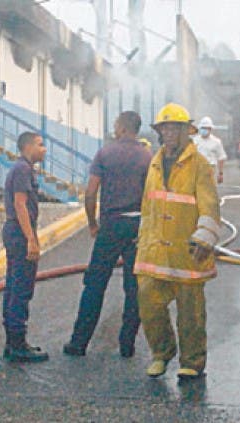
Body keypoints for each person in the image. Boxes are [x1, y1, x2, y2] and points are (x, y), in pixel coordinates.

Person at [134, 103, 221, 380]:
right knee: (148, 303)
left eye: (175, 128)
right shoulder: (155, 161)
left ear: (187, 132)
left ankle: (192, 361)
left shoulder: (200, 165)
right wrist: (143, 236)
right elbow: (149, 204)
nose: (169, 133)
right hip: (155, 249)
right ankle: (161, 353)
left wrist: (204, 238)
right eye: (165, 128)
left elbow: (210, 205)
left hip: (188, 251)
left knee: (191, 313)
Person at [63, 111, 152, 358]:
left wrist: (92, 223)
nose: (114, 128)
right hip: (137, 227)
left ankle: (78, 343)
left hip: (111, 225)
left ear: (123, 128)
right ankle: (127, 345)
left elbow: (91, 193)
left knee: (94, 284)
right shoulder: (147, 157)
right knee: (134, 287)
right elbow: (151, 197)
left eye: (116, 125)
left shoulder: (105, 153)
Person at [2, 131, 49, 363]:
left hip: (15, 232)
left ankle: (12, 342)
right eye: (40, 145)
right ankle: (18, 344)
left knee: (13, 285)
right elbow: (20, 205)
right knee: (21, 287)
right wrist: (31, 238)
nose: (44, 149)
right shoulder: (23, 169)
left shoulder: (22, 168)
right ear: (28, 146)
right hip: (20, 233)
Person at [193, 116, 227, 184]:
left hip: (210, 168)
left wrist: (220, 173)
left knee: (208, 190)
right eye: (203, 128)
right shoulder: (195, 141)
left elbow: (221, 158)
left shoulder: (216, 141)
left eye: (206, 128)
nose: (204, 130)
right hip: (197, 169)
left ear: (210, 129)